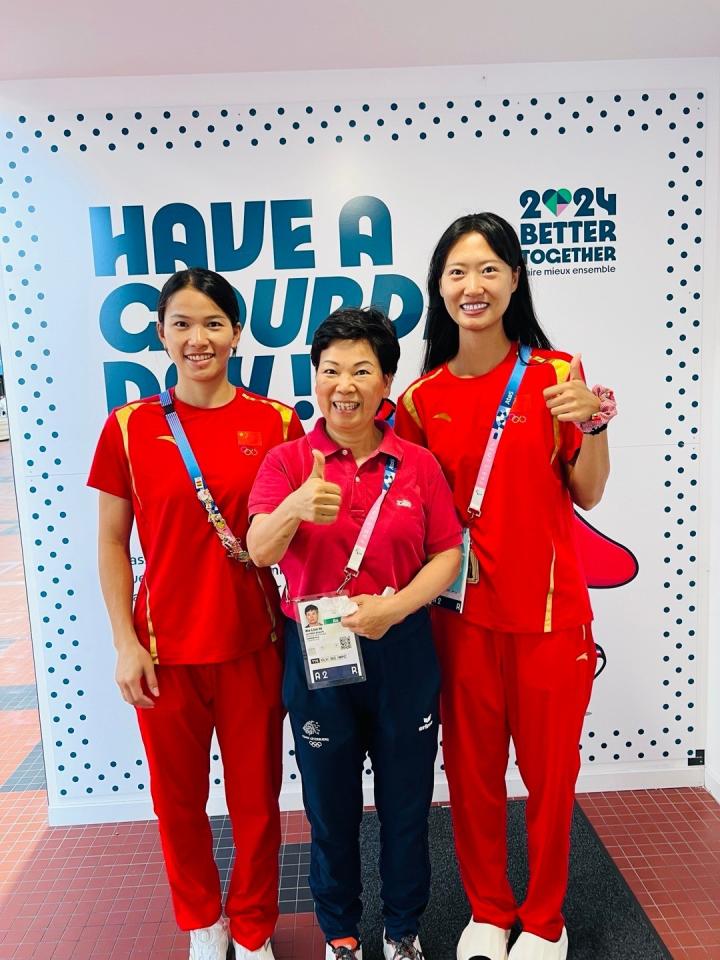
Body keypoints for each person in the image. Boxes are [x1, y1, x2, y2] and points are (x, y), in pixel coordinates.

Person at [395, 213, 615, 960]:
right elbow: (411, 516)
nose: (474, 285)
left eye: (489, 269)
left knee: (551, 781)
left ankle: (546, 921)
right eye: (457, 271)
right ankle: (488, 910)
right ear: (439, 287)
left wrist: (595, 427)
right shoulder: (419, 400)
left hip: (550, 621)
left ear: (516, 279)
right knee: (472, 778)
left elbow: (588, 493)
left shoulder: (557, 375)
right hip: (460, 621)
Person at [88, 268, 303, 960]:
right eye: (181, 324)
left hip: (252, 644)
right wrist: (124, 642)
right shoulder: (129, 427)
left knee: (256, 803)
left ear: (236, 333)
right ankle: (204, 925)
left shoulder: (276, 423)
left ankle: (253, 928)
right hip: (164, 651)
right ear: (160, 333)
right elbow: (111, 542)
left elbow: (298, 533)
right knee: (177, 804)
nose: (197, 338)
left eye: (213, 323)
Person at [246, 307, 463, 960]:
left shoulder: (417, 465)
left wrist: (396, 609)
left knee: (406, 804)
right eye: (331, 369)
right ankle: (340, 932)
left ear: (387, 382)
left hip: (402, 649)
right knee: (329, 806)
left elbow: (448, 555)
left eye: (362, 370)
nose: (344, 385)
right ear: (314, 376)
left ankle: (402, 930)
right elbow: (258, 550)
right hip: (318, 653)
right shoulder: (287, 461)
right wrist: (294, 505)